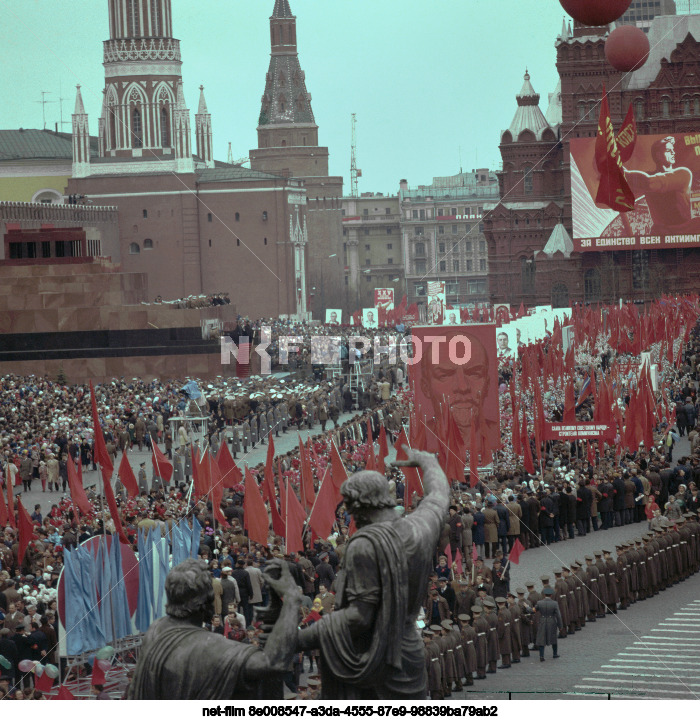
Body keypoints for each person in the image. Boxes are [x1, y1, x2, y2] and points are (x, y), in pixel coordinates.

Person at [297, 447, 449, 699]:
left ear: (359, 505)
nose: (349, 514)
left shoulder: (364, 545)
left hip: (373, 664)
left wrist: (299, 638)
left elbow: (359, 617)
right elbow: (439, 495)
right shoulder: (420, 527)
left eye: (350, 507)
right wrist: (429, 462)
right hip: (409, 655)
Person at [128, 558, 302, 699]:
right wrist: (291, 600)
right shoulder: (214, 647)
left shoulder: (155, 630)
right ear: (207, 599)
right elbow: (272, 664)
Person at [535, 586, 562, 662]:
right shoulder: (554, 603)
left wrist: (527, 607)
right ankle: (555, 654)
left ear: (544, 595)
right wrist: (560, 626)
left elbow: (533, 610)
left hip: (542, 621)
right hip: (552, 621)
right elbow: (558, 616)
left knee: (541, 639)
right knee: (553, 638)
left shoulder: (539, 603)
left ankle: (541, 656)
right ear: (551, 595)